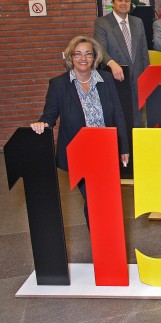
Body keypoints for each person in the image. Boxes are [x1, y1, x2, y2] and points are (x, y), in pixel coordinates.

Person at [30, 36, 129, 224]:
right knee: (93, 198)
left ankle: (106, 236)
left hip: (106, 150)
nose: (83, 58)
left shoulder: (106, 79)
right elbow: (49, 117)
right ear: (71, 57)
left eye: (88, 54)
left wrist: (123, 147)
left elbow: (118, 114)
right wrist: (41, 124)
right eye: (78, 54)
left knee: (107, 197)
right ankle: (99, 237)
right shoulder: (58, 84)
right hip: (79, 153)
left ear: (94, 57)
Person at [94, 0, 150, 127]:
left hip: (137, 76)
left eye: (127, 1)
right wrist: (112, 63)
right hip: (115, 77)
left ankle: (135, 140)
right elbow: (99, 48)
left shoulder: (138, 22)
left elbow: (143, 50)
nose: (124, 3)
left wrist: (146, 75)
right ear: (113, 3)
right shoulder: (102, 23)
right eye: (120, 0)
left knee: (137, 117)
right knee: (119, 116)